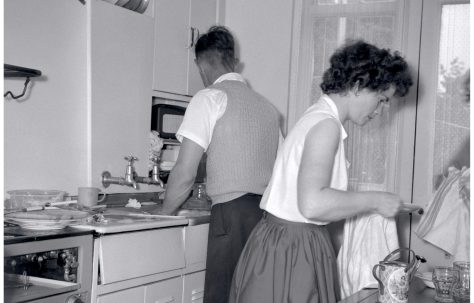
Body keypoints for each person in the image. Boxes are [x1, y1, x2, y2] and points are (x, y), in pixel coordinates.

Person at [229, 40, 413, 303]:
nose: (382, 111)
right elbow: (313, 204)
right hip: (293, 247)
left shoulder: (317, 117)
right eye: (382, 100)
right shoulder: (326, 125)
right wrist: (376, 200)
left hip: (285, 241)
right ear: (358, 85)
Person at [156, 26, 281, 303]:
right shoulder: (268, 109)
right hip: (267, 220)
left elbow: (185, 173)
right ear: (234, 61)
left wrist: (162, 215)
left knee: (221, 297)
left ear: (200, 64)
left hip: (231, 215)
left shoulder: (209, 98)